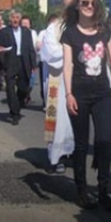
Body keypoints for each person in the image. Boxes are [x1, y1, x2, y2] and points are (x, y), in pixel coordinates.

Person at [61, 0, 111, 212]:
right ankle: (81, 191)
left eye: (92, 3)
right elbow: (68, 65)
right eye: (84, 3)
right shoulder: (70, 34)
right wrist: (68, 94)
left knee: (103, 142)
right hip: (79, 93)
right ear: (77, 7)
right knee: (81, 144)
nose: (89, 6)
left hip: (103, 93)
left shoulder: (104, 31)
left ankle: (104, 190)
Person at [41, 14, 74, 174]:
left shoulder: (81, 27)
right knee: (58, 119)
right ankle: (55, 157)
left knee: (73, 118)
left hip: (76, 80)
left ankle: (70, 152)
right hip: (58, 80)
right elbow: (51, 54)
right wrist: (70, 49)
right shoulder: (52, 29)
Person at [0, 11, 37, 125]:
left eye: (17, 18)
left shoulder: (26, 32)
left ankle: (17, 105)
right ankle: (14, 113)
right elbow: (0, 50)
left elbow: (31, 49)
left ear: (20, 20)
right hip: (10, 62)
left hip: (23, 61)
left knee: (24, 88)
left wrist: (33, 64)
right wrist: (2, 65)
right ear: (10, 19)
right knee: (10, 88)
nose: (15, 20)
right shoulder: (4, 32)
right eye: (13, 18)